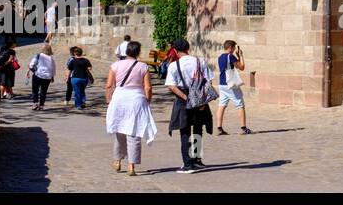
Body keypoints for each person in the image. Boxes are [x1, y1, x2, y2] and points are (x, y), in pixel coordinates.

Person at [105, 40, 156, 175]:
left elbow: (109, 85)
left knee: (119, 130)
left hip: (119, 98)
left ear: (126, 51)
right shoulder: (143, 67)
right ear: (138, 52)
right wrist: (148, 100)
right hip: (136, 99)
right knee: (134, 132)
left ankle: (117, 160)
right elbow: (148, 87)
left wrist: (108, 99)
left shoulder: (115, 65)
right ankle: (131, 165)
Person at [165, 38, 215, 173]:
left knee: (185, 130)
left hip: (183, 99)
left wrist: (187, 98)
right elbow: (209, 81)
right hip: (200, 98)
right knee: (198, 129)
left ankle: (187, 164)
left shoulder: (174, 66)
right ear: (188, 48)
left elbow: (171, 86)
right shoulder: (200, 61)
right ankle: (197, 159)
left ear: (175, 50)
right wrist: (202, 100)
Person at [215, 40, 251, 135]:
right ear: (230, 48)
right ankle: (244, 128)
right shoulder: (230, 56)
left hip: (222, 84)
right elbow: (242, 67)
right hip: (231, 84)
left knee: (221, 105)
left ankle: (219, 127)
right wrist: (241, 56)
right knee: (240, 105)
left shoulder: (220, 57)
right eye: (234, 47)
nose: (235, 49)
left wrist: (237, 58)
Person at [27, 44, 55, 109]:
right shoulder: (51, 58)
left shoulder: (38, 55)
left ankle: (35, 103)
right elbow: (53, 68)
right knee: (43, 91)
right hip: (47, 77)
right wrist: (52, 77)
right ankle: (41, 105)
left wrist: (34, 70)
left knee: (35, 90)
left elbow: (31, 65)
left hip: (38, 75)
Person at [65, 46, 94, 110]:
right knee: (82, 90)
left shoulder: (73, 61)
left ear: (75, 53)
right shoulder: (85, 60)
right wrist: (84, 67)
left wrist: (67, 78)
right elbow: (90, 68)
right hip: (84, 78)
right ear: (81, 53)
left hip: (75, 78)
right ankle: (83, 102)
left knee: (77, 92)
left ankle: (78, 105)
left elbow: (69, 69)